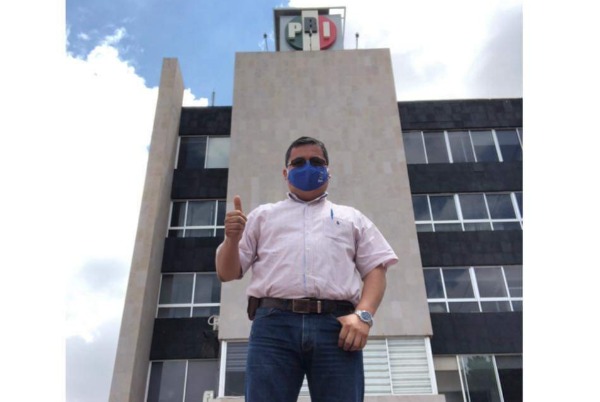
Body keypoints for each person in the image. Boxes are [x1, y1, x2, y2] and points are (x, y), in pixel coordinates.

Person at [216, 136, 398, 402]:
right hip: (273, 328)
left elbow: (376, 270)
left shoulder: (352, 218)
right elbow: (227, 272)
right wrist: (232, 240)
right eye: (298, 162)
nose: (308, 167)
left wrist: (363, 316)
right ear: (285, 172)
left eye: (316, 162)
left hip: (337, 328)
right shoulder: (262, 216)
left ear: (328, 170)